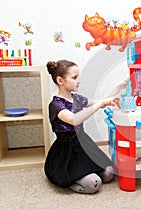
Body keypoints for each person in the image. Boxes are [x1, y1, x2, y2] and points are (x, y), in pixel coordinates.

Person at [44, 59, 127, 194]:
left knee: (109, 173)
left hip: (83, 143)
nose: (78, 81)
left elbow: (100, 102)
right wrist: (99, 105)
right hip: (67, 150)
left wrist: (119, 86)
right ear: (60, 80)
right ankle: (72, 181)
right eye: (74, 77)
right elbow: (73, 119)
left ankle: (85, 175)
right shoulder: (56, 105)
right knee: (94, 183)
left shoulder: (77, 98)